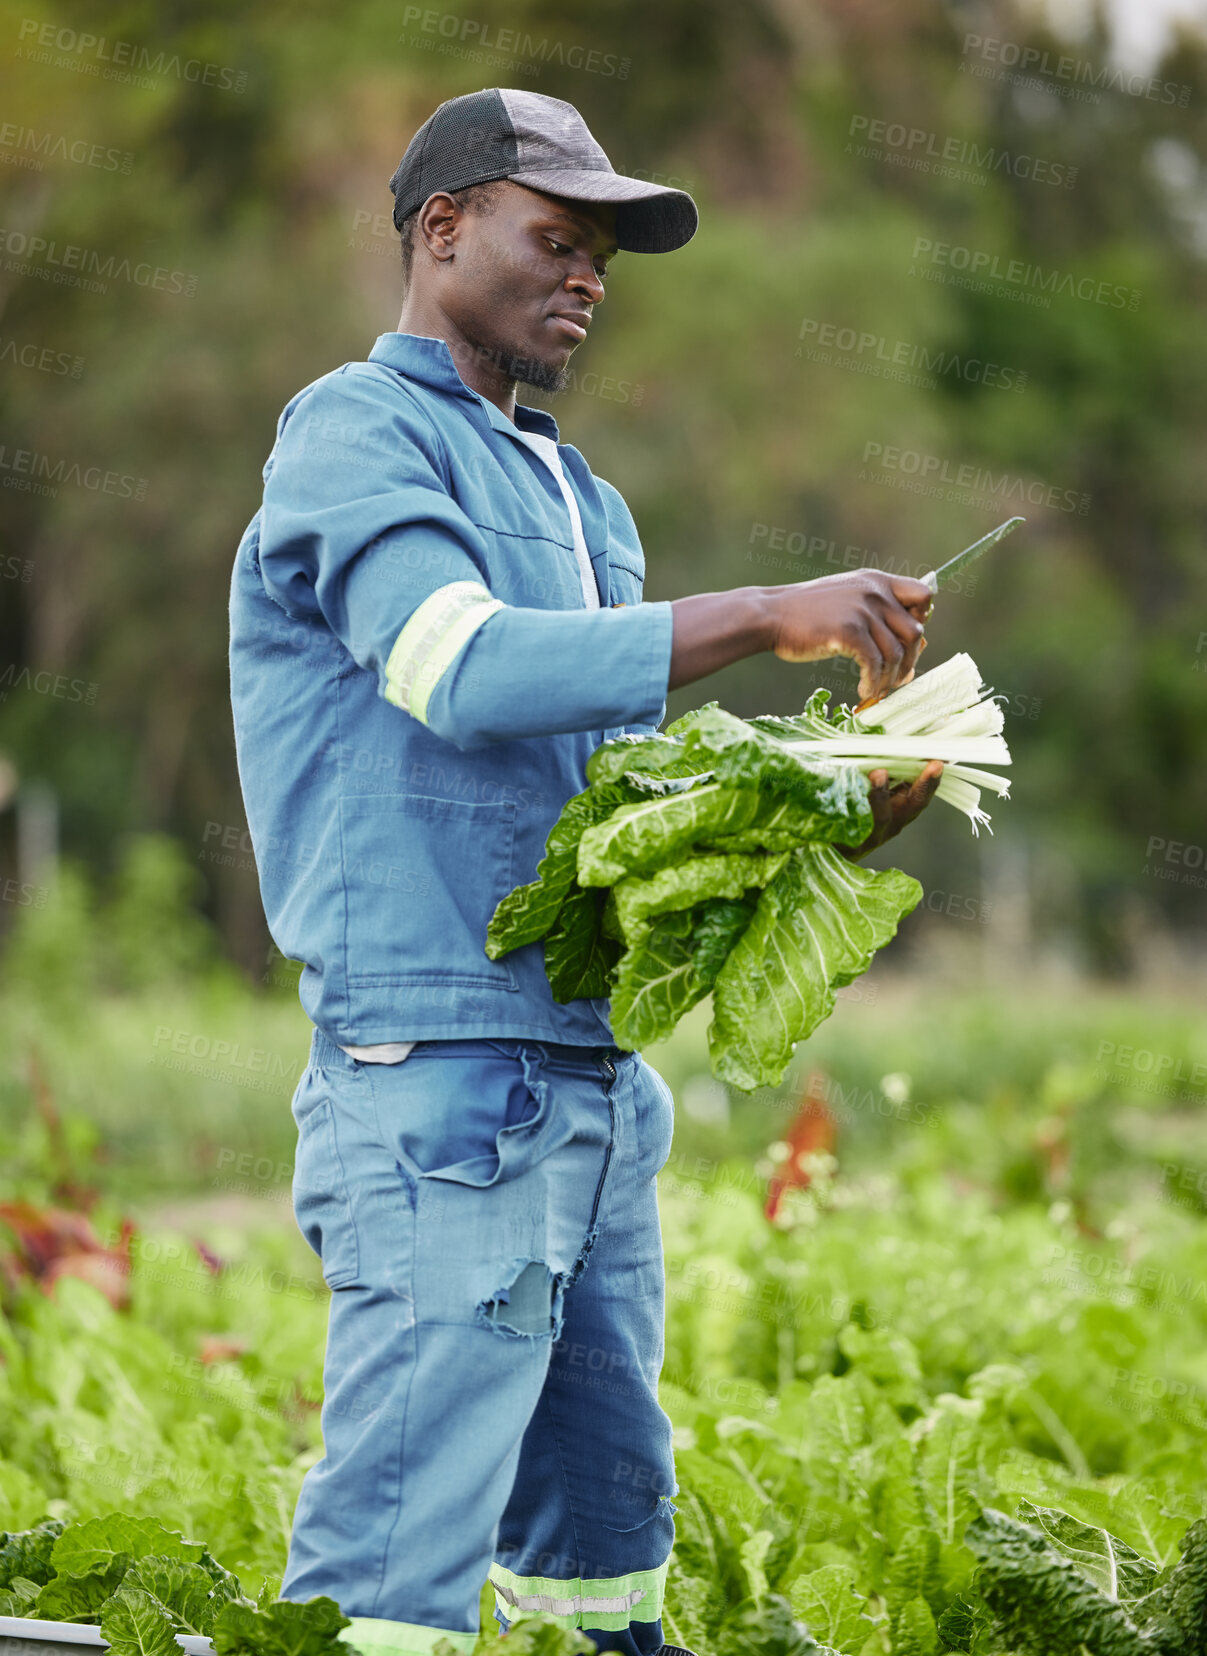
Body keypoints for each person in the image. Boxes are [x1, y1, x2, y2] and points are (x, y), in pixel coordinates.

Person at [228, 87, 941, 1656]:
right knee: (397, 1562)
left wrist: (841, 808)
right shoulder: (353, 434)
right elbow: (459, 671)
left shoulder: (582, 496)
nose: (590, 279)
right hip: (438, 1084)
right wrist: (764, 612)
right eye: (558, 239)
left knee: (607, 1528)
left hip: (589, 1084)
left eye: (603, 256)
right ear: (441, 230)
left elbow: (609, 822)